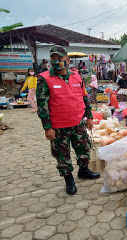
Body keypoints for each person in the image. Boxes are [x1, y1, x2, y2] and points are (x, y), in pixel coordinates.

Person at [36, 45, 100, 195]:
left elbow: (84, 97)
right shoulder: (44, 79)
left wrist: (89, 116)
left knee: (84, 149)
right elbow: (42, 106)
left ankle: (83, 170)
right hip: (58, 127)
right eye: (53, 59)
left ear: (68, 60)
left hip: (78, 123)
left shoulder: (76, 76)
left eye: (60, 59)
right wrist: (47, 127)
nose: (56, 61)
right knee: (62, 155)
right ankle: (68, 179)